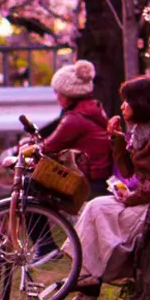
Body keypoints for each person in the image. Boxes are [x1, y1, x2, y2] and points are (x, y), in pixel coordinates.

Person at [69, 74, 150, 300]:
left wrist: (132, 198)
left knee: (100, 212)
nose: (123, 106)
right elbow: (128, 171)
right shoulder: (140, 130)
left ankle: (89, 284)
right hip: (139, 198)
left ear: (141, 102)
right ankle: (87, 283)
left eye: (127, 101)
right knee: (94, 206)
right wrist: (117, 139)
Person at [40, 60, 114, 197]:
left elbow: (47, 147)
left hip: (89, 183)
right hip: (100, 177)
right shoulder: (92, 107)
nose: (57, 97)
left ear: (68, 94)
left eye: (58, 92)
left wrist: (26, 148)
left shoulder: (75, 119)